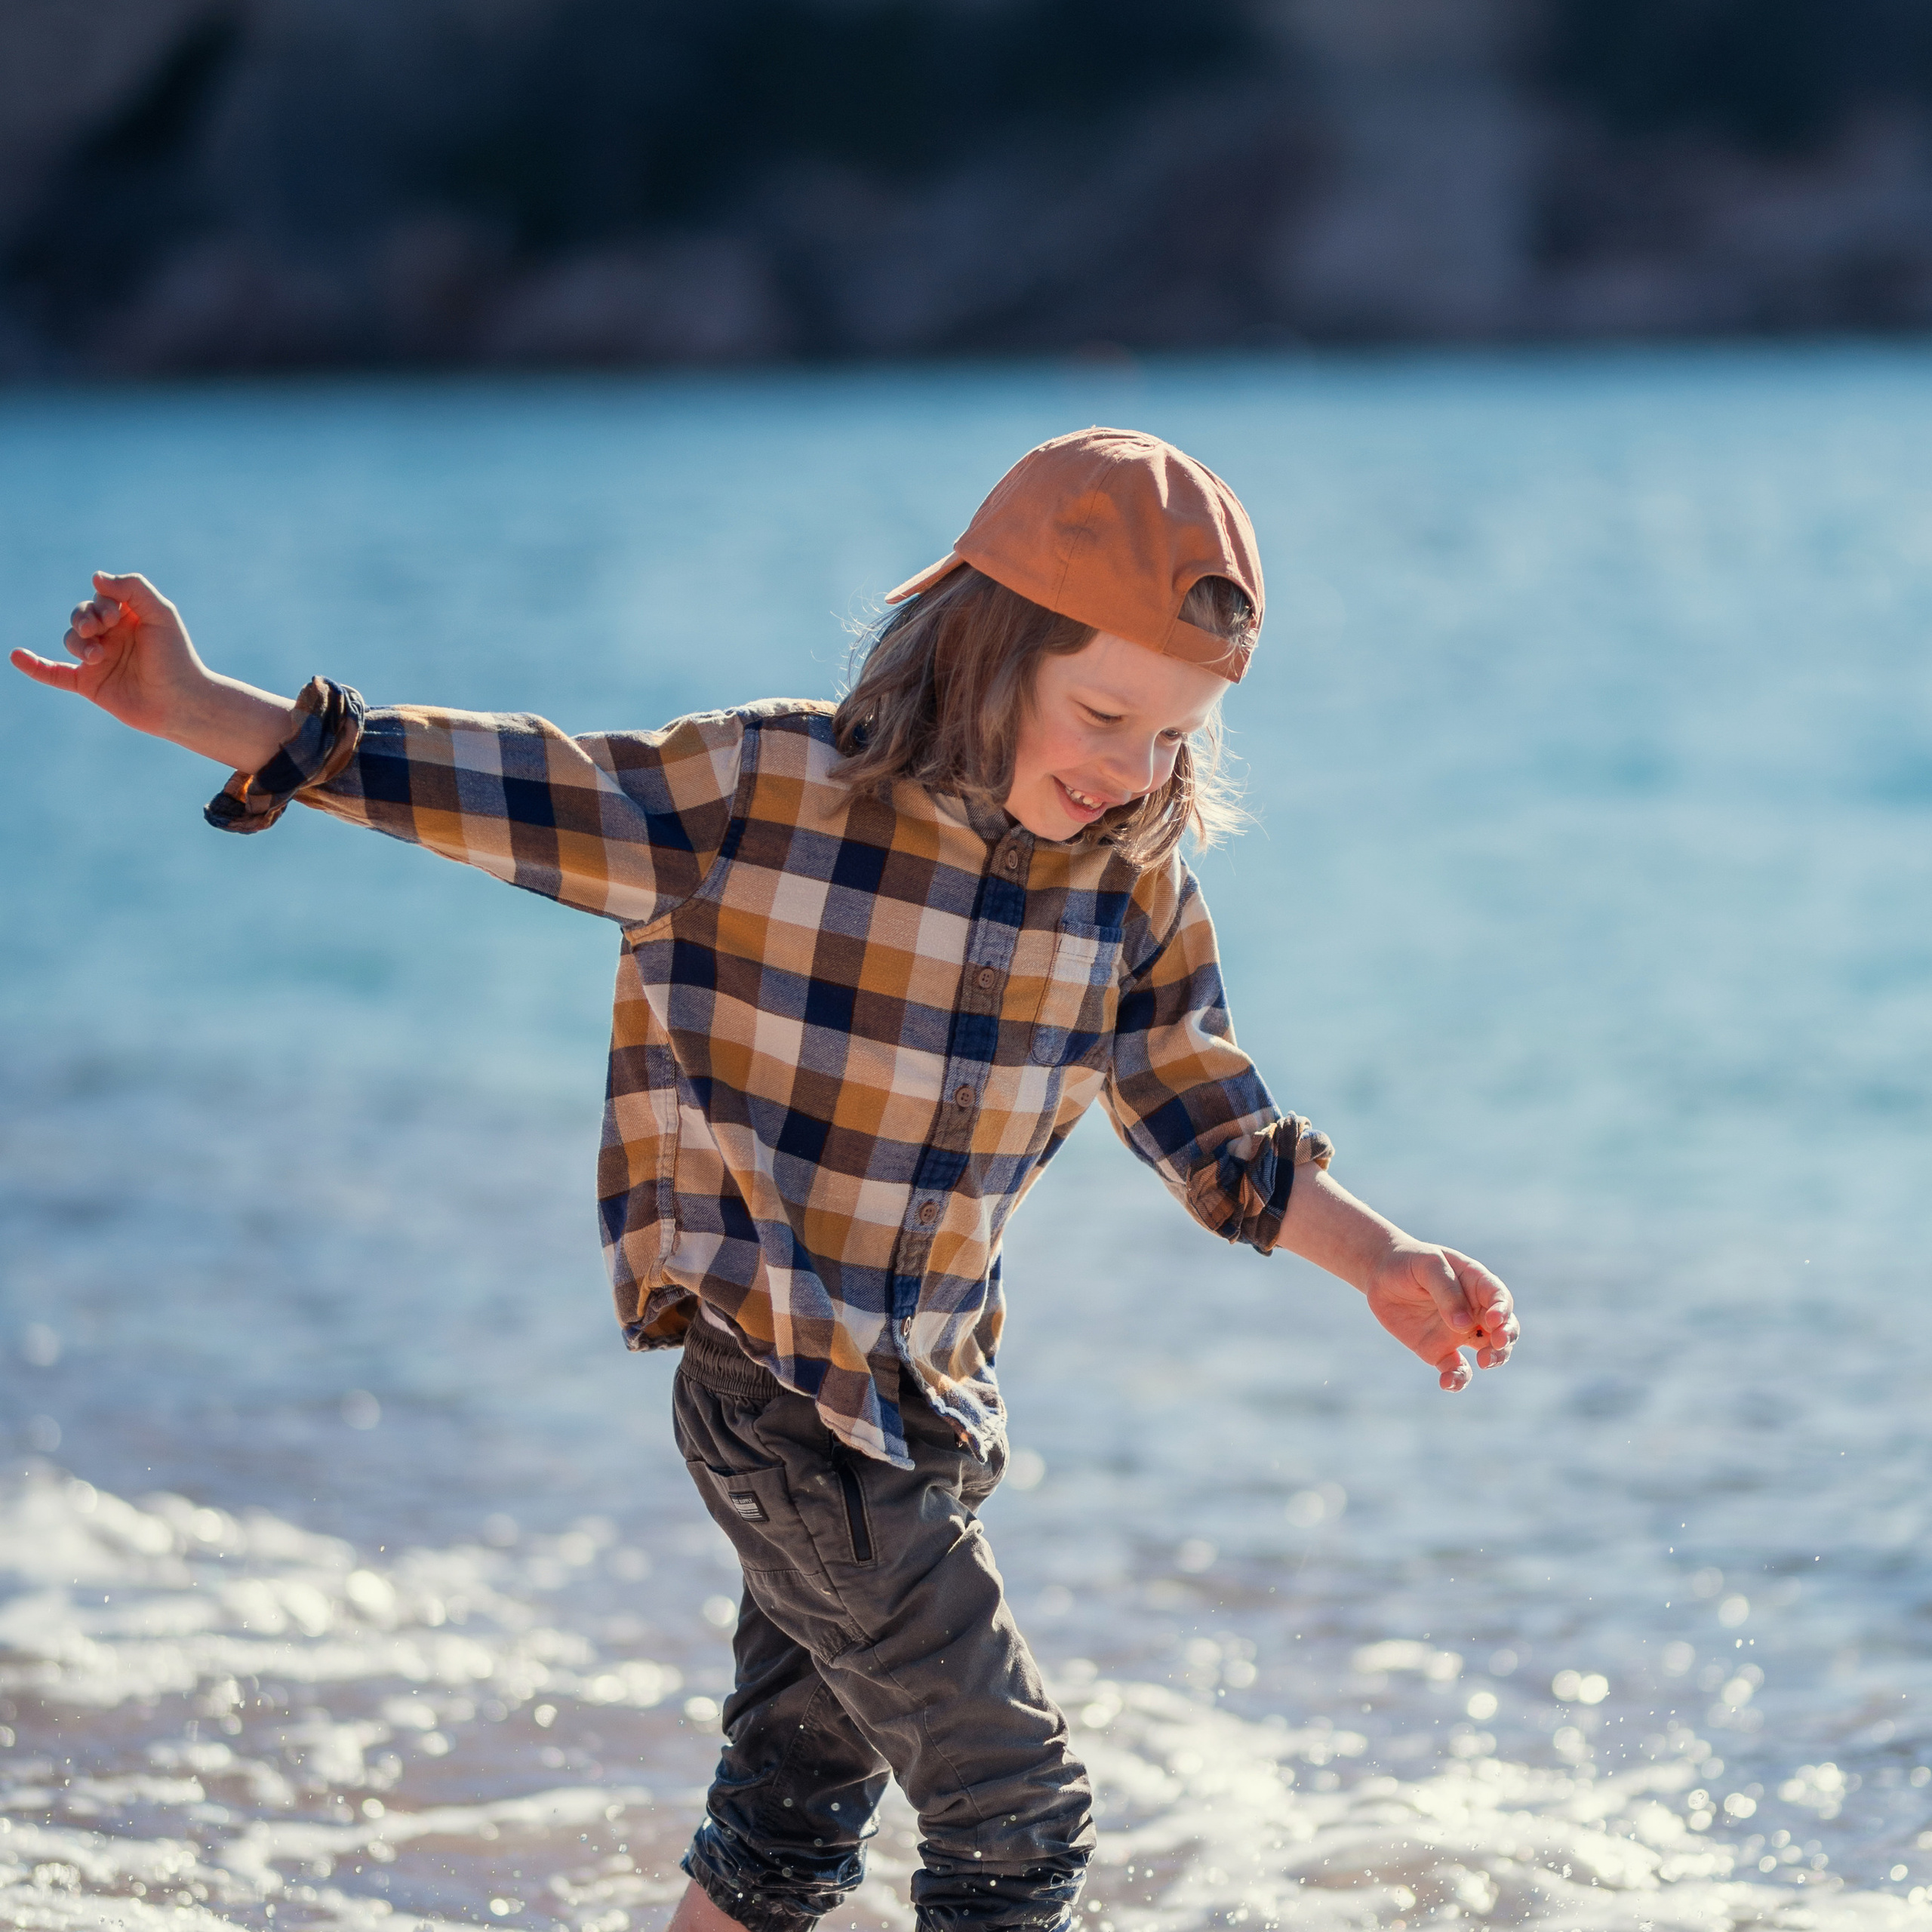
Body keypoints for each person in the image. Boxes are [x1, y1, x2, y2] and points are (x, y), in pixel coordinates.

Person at [12, 426, 1518, 1932]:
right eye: (1100, 714)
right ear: (981, 650)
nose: (1127, 772)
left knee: (783, 1828)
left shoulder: (1128, 884)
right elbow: (508, 789)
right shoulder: (762, 792)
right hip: (777, 1397)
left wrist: (1377, 1255)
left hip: (927, 1415)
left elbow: (1204, 1110)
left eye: (1170, 739)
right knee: (1015, 1807)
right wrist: (206, 707)